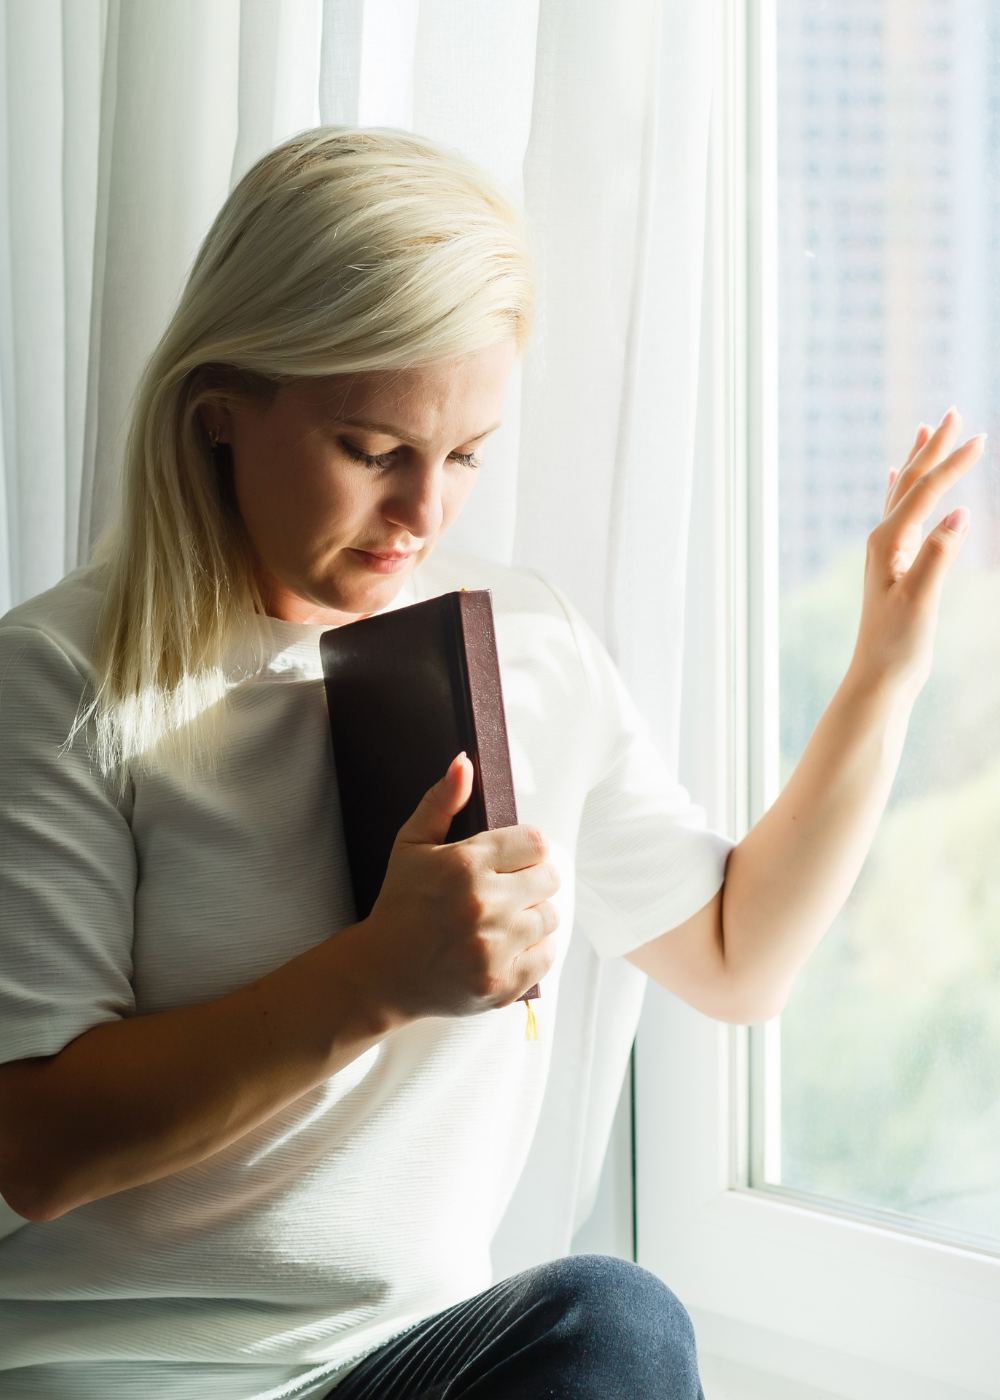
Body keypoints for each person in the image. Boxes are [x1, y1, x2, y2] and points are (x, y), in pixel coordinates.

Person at [0, 128, 981, 1400]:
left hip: (405, 1365)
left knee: (612, 1320)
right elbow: (37, 1143)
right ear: (221, 410)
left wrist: (882, 672)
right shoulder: (60, 678)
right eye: (373, 450)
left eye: (463, 456)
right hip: (125, 1377)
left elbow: (737, 956)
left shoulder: (523, 642)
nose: (423, 513)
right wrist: (375, 976)